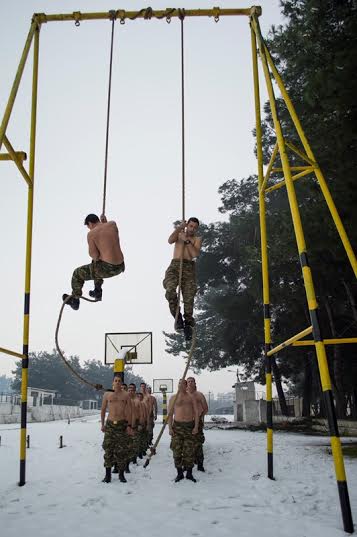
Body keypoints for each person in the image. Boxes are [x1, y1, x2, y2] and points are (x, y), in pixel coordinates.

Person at [63, 213, 125, 310]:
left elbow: (94, 255)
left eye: (88, 227)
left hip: (109, 268)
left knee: (77, 274)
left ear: (90, 223)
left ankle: (75, 299)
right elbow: (110, 237)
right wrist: (105, 222)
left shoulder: (91, 234)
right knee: (96, 265)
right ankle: (97, 291)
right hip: (121, 265)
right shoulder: (112, 224)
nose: (89, 229)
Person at [163, 218, 202, 340]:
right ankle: (177, 317)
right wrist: (180, 227)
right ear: (187, 225)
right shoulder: (180, 233)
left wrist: (188, 241)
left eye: (195, 227)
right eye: (190, 226)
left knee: (189, 297)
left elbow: (195, 254)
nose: (192, 229)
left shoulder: (197, 239)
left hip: (188, 267)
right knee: (170, 289)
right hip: (175, 265)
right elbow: (170, 241)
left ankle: (188, 323)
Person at [101, 376, 134, 483]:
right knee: (108, 450)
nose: (117, 382)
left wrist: (129, 426)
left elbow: (129, 411)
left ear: (121, 383)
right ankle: (107, 475)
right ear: (113, 383)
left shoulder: (126, 395)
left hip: (121, 425)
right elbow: (102, 410)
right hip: (110, 425)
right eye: (116, 381)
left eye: (119, 381)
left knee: (121, 451)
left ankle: (121, 474)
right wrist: (102, 424)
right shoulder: (107, 394)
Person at [168, 379, 199, 483]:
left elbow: (196, 413)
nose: (181, 385)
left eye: (183, 383)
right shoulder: (173, 398)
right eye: (179, 383)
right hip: (177, 427)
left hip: (189, 427)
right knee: (176, 451)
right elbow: (170, 414)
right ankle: (179, 473)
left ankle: (189, 473)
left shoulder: (191, 397)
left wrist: (196, 427)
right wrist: (170, 428)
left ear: (186, 386)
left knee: (189, 451)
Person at [187, 377, 208, 472]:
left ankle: (200, 464)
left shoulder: (199, 395)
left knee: (198, 443)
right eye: (188, 381)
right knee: (186, 444)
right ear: (186, 384)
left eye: (192, 381)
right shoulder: (183, 395)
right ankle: (187, 464)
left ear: (195, 383)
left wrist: (199, 417)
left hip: (197, 421)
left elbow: (205, 409)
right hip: (186, 423)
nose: (190, 383)